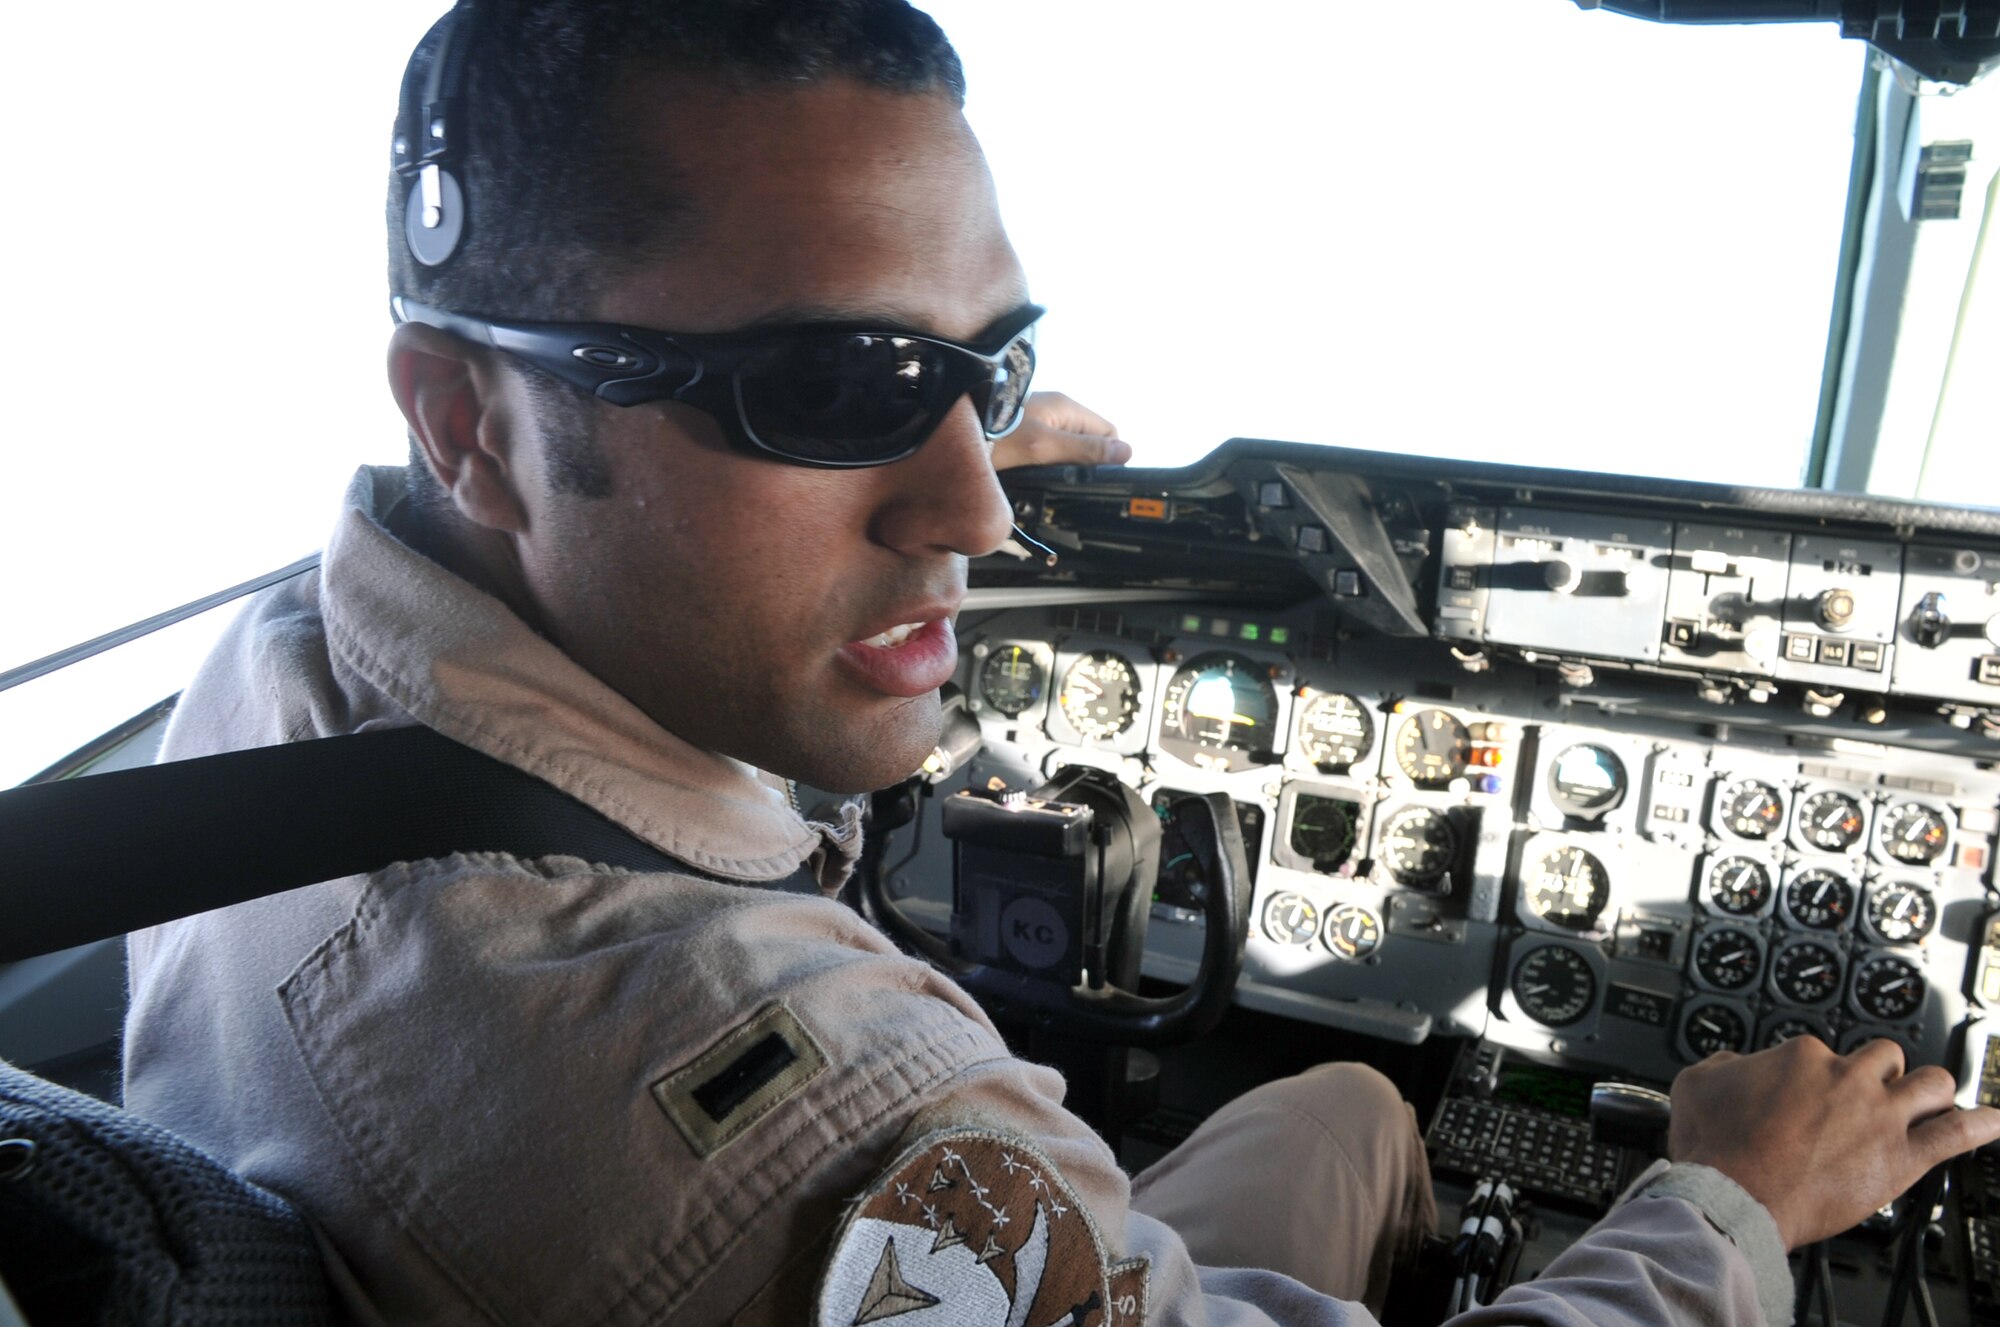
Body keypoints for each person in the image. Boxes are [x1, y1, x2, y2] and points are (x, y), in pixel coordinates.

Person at [121, 3, 2000, 1326]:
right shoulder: (816, 1138)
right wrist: (1729, 1206)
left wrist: (879, 418)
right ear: (465, 418)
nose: (982, 514)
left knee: (1353, 1109)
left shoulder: (295, 666)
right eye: (829, 387)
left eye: (985, 366)